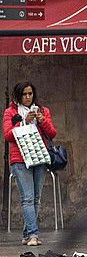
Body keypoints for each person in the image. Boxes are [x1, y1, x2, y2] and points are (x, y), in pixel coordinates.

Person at [3, 82, 56, 247]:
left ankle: (27, 234)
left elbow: (52, 133)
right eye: (24, 94)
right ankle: (33, 235)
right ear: (19, 96)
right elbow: (8, 135)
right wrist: (23, 121)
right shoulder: (10, 112)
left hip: (39, 157)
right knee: (27, 198)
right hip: (20, 159)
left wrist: (42, 121)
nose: (27, 97)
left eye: (30, 94)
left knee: (36, 199)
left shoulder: (42, 111)